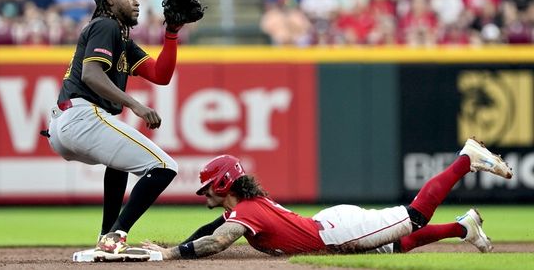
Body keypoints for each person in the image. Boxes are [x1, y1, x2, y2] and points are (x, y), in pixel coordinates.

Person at [142, 137, 513, 258]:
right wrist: (174, 247)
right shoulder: (244, 209)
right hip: (330, 228)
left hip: (335, 232)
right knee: (397, 246)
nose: (204, 192)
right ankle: (464, 228)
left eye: (208, 186)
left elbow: (219, 241)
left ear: (223, 185)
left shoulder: (248, 211)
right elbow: (212, 228)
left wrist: (171, 253)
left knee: (414, 217)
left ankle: (466, 159)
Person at [44, 0, 192, 261]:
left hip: (65, 124)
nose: (136, 2)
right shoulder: (106, 26)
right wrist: (136, 105)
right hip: (81, 117)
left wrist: (171, 32)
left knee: (120, 160)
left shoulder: (121, 37)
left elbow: (160, 75)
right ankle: (117, 235)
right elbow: (91, 73)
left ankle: (105, 237)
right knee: (164, 166)